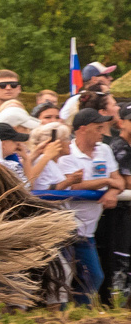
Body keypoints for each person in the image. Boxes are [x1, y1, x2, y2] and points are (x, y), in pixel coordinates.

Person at [52, 109, 124, 305]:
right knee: (63, 275)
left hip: (88, 229)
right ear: (83, 129)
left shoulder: (104, 150)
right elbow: (73, 185)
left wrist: (112, 191)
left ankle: (78, 310)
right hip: (66, 226)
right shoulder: (67, 153)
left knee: (94, 276)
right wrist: (106, 181)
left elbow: (119, 181)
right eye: (98, 127)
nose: (103, 132)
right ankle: (65, 313)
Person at [96, 101, 131, 305]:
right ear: (121, 123)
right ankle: (117, 305)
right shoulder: (119, 147)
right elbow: (127, 181)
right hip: (119, 215)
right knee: (121, 262)